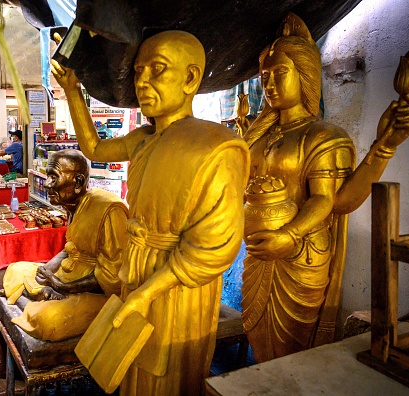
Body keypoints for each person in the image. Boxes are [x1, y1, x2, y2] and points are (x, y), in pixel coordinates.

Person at [52, 30, 249, 395]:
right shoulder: (145, 138)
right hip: (137, 266)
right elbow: (93, 148)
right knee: (131, 363)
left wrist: (146, 293)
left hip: (177, 282)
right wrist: (71, 90)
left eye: (157, 70)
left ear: (190, 78)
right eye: (139, 71)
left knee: (168, 373)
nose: (142, 81)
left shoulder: (214, 147)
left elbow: (213, 247)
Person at [240, 13, 409, 362]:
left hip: (300, 252)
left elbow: (328, 200)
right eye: (264, 77)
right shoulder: (258, 137)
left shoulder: (323, 136)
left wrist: (384, 146)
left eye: (279, 74)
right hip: (259, 251)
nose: (270, 84)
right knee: (256, 333)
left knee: (293, 351)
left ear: (304, 76)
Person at [1, 149, 129, 341]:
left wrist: (63, 287)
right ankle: (40, 294)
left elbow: (113, 278)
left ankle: (39, 297)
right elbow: (70, 249)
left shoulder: (109, 210)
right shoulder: (76, 206)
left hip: (95, 291)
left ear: (77, 182)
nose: (47, 184)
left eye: (54, 177)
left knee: (47, 320)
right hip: (66, 275)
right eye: (47, 176)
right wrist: (46, 271)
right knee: (15, 270)